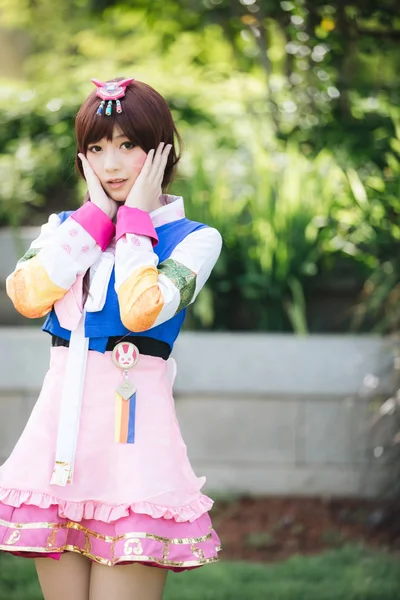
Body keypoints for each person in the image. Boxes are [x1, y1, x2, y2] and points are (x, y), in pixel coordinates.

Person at [0, 77, 222, 600]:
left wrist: (135, 225)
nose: (113, 164)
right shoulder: (64, 229)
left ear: (161, 151)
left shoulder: (193, 240)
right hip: (59, 446)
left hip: (133, 449)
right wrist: (96, 219)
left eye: (128, 146)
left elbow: (145, 308)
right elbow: (27, 295)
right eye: (96, 149)